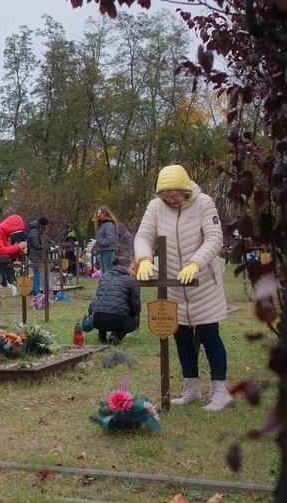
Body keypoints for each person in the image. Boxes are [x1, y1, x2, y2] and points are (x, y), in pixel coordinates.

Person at [134, 164, 232, 411]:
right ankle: (192, 387)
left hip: (202, 282)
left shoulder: (204, 203)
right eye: (165, 196)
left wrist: (195, 263)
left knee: (210, 335)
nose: (171, 199)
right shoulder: (155, 207)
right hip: (174, 284)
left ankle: (221, 392)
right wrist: (144, 258)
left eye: (174, 194)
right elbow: (143, 236)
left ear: (185, 189)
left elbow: (214, 238)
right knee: (181, 336)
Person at [89, 255, 141, 344]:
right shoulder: (131, 280)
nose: (133, 272)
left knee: (105, 306)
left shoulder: (104, 276)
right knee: (134, 323)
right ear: (125, 268)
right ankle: (116, 336)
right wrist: (133, 315)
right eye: (132, 269)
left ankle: (102, 336)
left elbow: (98, 299)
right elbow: (135, 306)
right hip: (116, 319)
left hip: (96, 319)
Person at [26, 216, 49, 295]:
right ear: (42, 225)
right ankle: (36, 293)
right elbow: (35, 245)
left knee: (39, 274)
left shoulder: (39, 231)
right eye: (45, 226)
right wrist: (47, 248)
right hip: (34, 256)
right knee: (37, 275)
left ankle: (39, 291)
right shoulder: (34, 231)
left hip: (38, 255)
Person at [93, 206, 120, 273]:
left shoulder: (109, 225)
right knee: (105, 274)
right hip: (103, 252)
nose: (97, 215)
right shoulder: (103, 225)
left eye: (99, 213)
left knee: (109, 273)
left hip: (108, 252)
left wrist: (97, 241)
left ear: (104, 213)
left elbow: (109, 240)